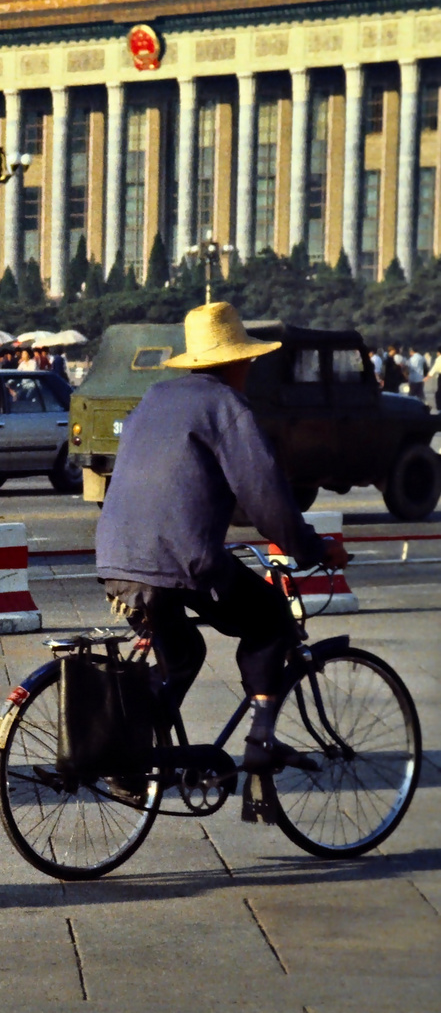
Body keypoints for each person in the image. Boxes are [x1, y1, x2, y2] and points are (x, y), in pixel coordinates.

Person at [97, 302, 349, 794]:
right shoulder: (227, 406)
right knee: (271, 621)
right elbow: (266, 497)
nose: (250, 369)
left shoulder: (155, 397)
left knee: (183, 653)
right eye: (248, 361)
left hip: (115, 557)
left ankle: (126, 754)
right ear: (237, 360)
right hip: (180, 562)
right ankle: (261, 741)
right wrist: (312, 548)